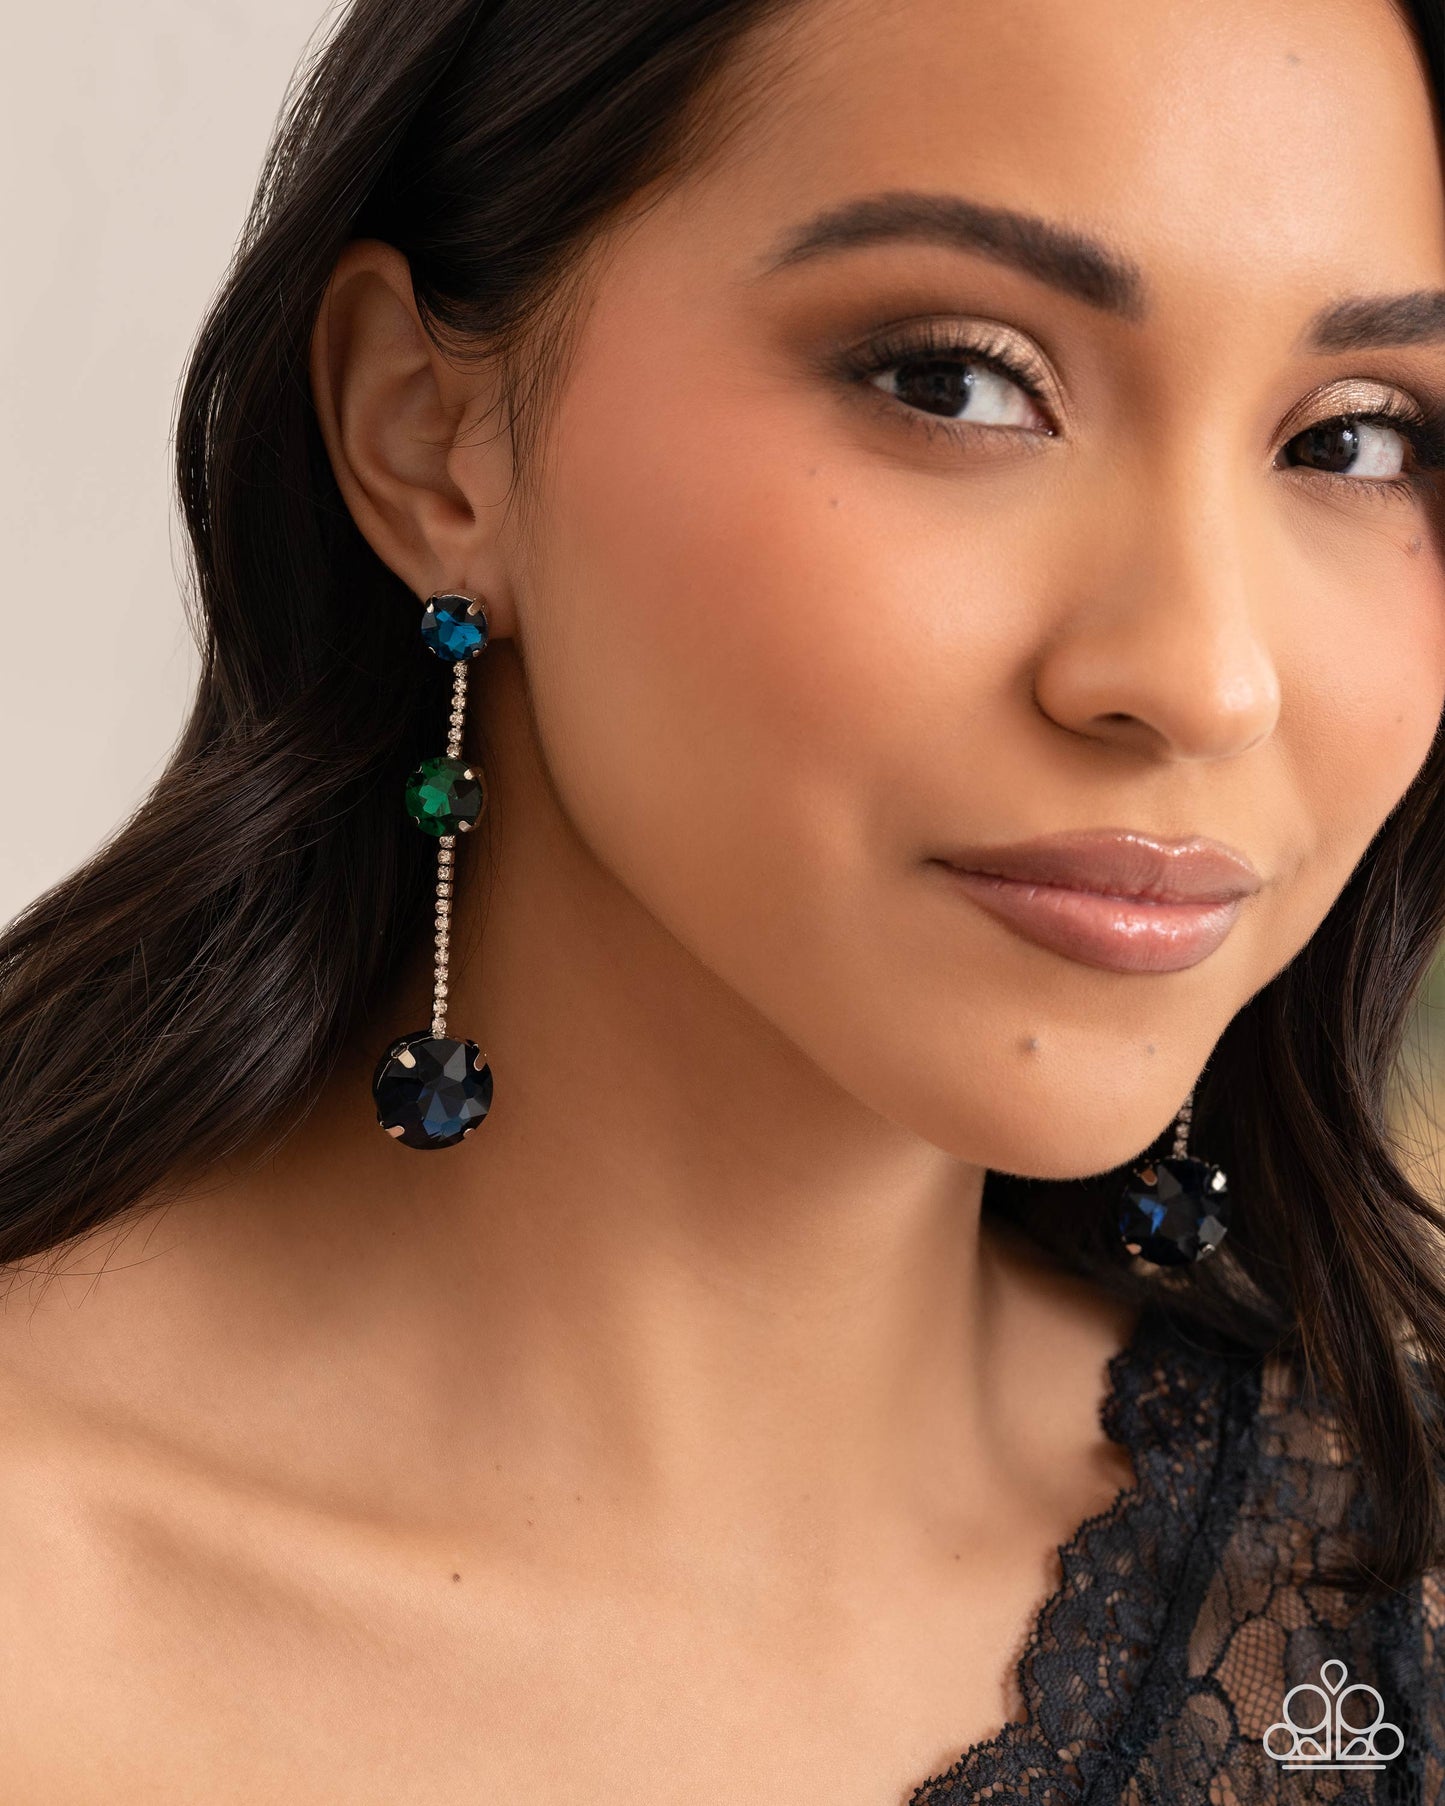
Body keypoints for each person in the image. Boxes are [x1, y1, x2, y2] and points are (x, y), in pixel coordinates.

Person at [1, 0, 1443, 1797]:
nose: (1204, 676)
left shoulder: (1390, 1583)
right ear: (427, 434)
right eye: (956, 378)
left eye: (1352, 439)